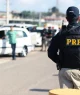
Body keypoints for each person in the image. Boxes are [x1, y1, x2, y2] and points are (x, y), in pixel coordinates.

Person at [48, 6, 80, 89]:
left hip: (65, 71)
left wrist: (60, 61)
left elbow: (51, 53)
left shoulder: (60, 34)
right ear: (79, 18)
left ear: (66, 18)